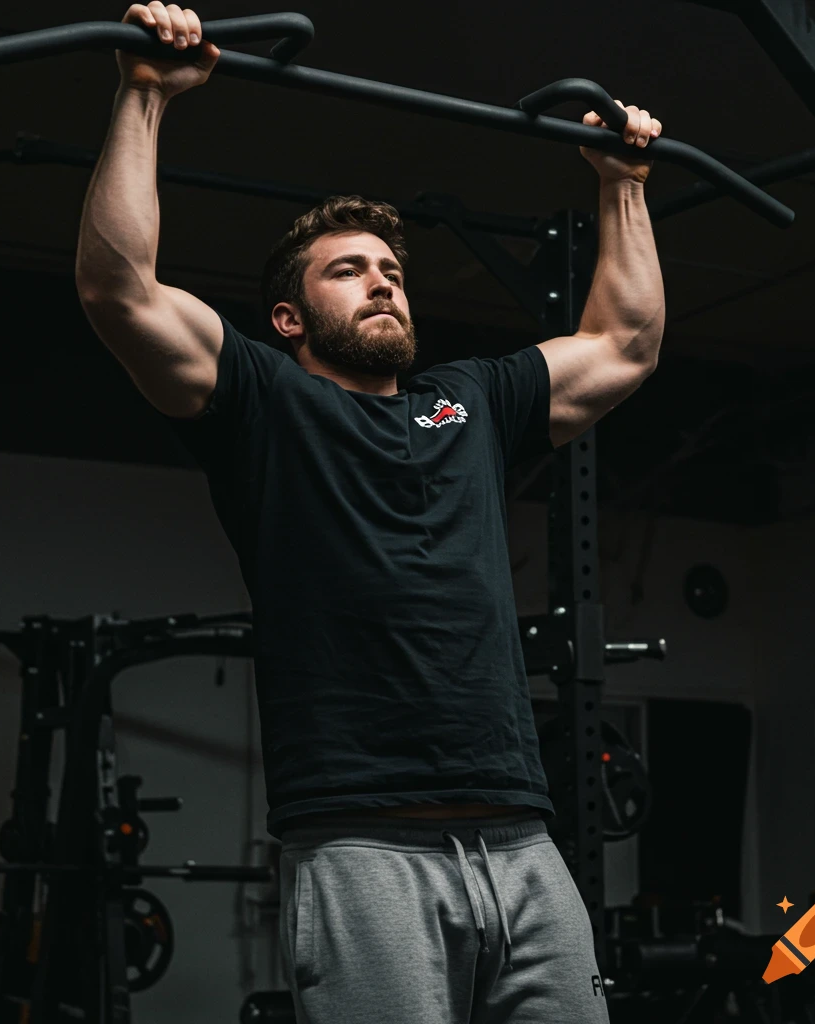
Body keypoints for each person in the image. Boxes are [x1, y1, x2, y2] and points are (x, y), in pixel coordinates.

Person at [76, 5, 665, 1022]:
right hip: (361, 841)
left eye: (390, 270)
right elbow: (119, 289)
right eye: (349, 271)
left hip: (524, 840)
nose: (382, 282)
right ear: (291, 317)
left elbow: (624, 343)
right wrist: (144, 95)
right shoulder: (266, 402)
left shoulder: (471, 400)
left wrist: (622, 185)